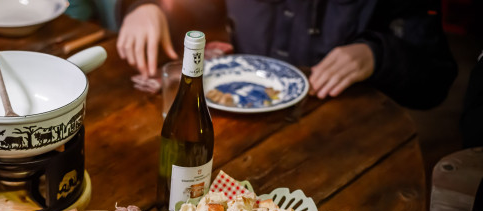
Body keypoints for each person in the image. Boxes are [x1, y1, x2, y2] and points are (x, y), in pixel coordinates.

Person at [116, 0, 457, 109]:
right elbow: (194, 11)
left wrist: (377, 54)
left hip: (339, 132)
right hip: (237, 120)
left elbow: (435, 81)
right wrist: (148, 7)